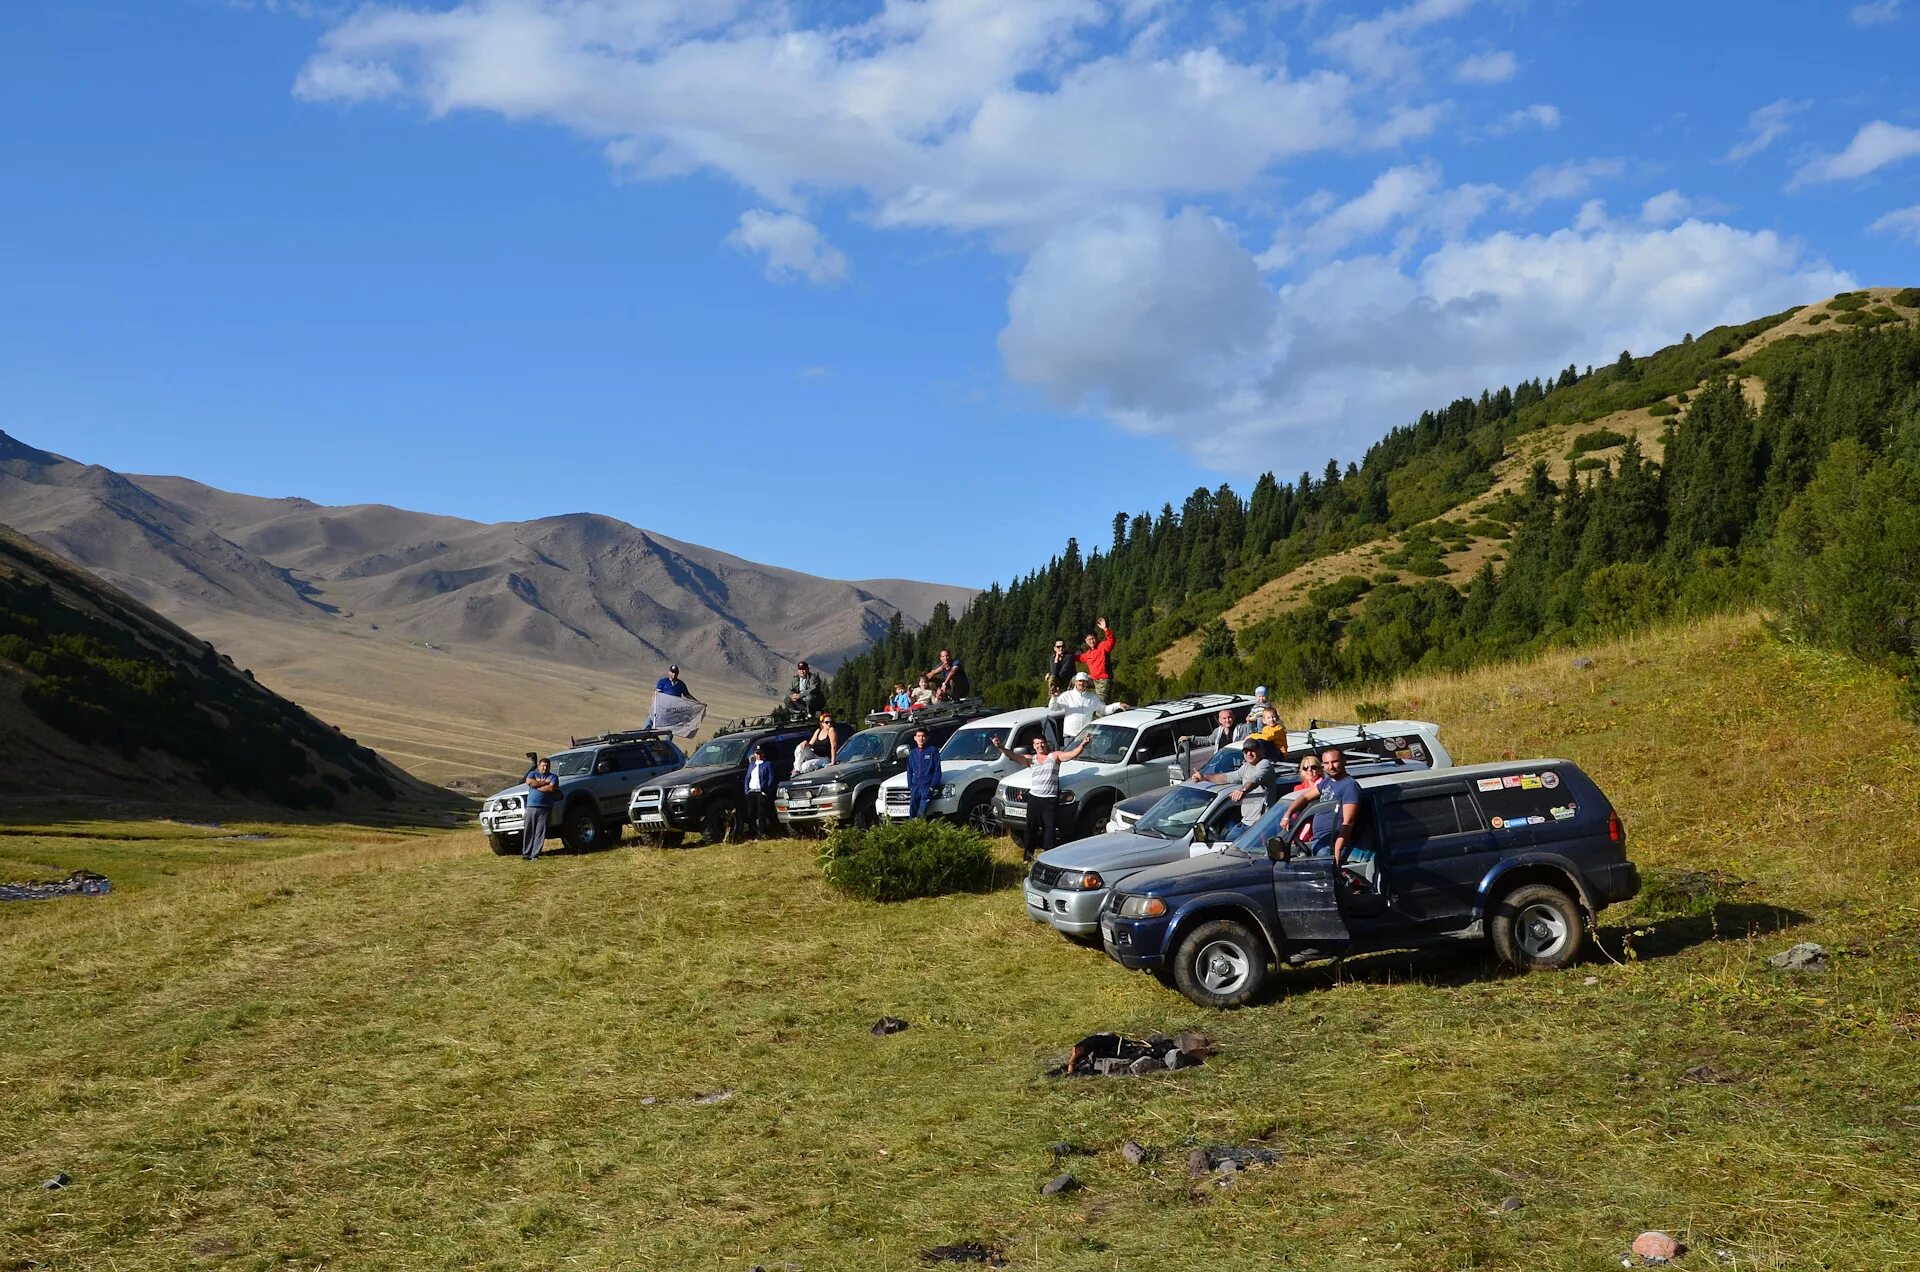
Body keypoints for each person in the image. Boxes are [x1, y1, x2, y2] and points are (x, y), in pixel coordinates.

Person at [991, 730, 1091, 861]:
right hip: (1034, 799)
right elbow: (1013, 756)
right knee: (1030, 829)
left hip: (1049, 800)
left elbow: (1070, 755)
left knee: (1049, 831)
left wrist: (1082, 745)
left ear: (1046, 744)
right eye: (1037, 744)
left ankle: (1049, 858)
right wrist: (1000, 747)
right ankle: (1027, 857)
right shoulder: (1031, 760)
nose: (1040, 746)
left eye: (1042, 743)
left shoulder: (1054, 756)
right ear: (1034, 746)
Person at [1279, 749, 1368, 883]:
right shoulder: (1328, 782)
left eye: (1335, 762)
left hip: (1331, 846)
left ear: (1344, 761)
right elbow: (1304, 797)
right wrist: (1287, 815)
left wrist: (1336, 852)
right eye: (1326, 763)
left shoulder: (1349, 785)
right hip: (1320, 842)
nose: (1330, 766)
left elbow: (1348, 822)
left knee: (1323, 884)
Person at [1202, 741, 1279, 819]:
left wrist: (1242, 790)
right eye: (1246, 751)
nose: (1249, 754)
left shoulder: (1264, 764)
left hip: (1260, 823)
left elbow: (1254, 780)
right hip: (1246, 820)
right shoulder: (1246, 767)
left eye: (1252, 750)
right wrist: (1204, 777)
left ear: (1259, 751)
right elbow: (1227, 777)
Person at [1048, 672, 1127, 741]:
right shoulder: (1067, 695)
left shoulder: (1092, 697)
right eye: (1080, 681)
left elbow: (1105, 710)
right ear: (1075, 682)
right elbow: (1054, 708)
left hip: (1085, 736)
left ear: (1087, 683)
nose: (1082, 683)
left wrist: (1118, 705)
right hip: (1070, 736)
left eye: (1084, 681)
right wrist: (1054, 697)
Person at [521, 755, 560, 861]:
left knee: (540, 832)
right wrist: (544, 783)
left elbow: (551, 788)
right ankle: (526, 853)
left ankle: (535, 854)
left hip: (545, 808)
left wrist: (537, 785)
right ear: (538, 766)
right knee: (529, 830)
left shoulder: (553, 777)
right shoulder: (533, 773)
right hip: (531, 806)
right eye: (543, 766)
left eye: (547, 766)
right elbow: (529, 782)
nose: (545, 768)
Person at [904, 725, 942, 819]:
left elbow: (937, 771)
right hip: (915, 787)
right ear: (915, 738)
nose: (921, 738)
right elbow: (909, 771)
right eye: (919, 736)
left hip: (926, 787)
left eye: (923, 736)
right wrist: (910, 786)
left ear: (927, 738)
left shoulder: (932, 751)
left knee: (921, 813)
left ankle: (922, 830)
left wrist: (932, 787)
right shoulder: (913, 753)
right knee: (912, 814)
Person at [1075, 618, 1115, 700]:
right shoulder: (1088, 654)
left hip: (1103, 680)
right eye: (1089, 639)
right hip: (1093, 679)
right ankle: (1075, 699)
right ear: (1086, 641)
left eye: (1093, 638)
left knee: (1100, 704)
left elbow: (1111, 641)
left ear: (1096, 638)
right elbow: (1077, 658)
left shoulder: (1103, 646)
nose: (1091, 641)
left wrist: (1105, 629)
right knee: (1074, 679)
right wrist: (1062, 654)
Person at [743, 743, 777, 839]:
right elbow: (747, 778)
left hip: (761, 792)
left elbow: (771, 779)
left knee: (761, 814)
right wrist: (747, 790)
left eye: (760, 753)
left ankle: (762, 833)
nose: (758, 755)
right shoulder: (752, 765)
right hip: (751, 792)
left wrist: (766, 791)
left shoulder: (767, 764)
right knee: (751, 814)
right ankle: (752, 832)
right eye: (757, 753)